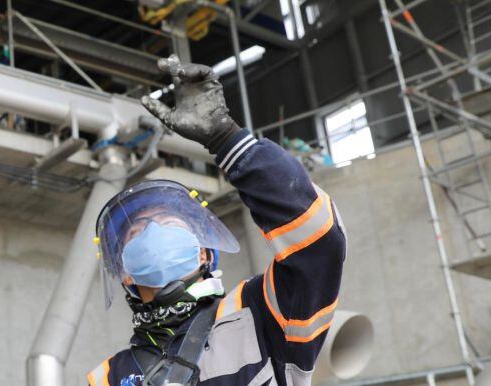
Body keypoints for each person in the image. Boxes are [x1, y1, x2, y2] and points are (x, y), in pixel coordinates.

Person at [87, 57, 346, 386]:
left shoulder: (262, 313)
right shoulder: (107, 378)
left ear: (204, 253)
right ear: (124, 272)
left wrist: (227, 138)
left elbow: (319, 242)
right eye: (137, 231)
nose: (154, 232)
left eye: (169, 222)